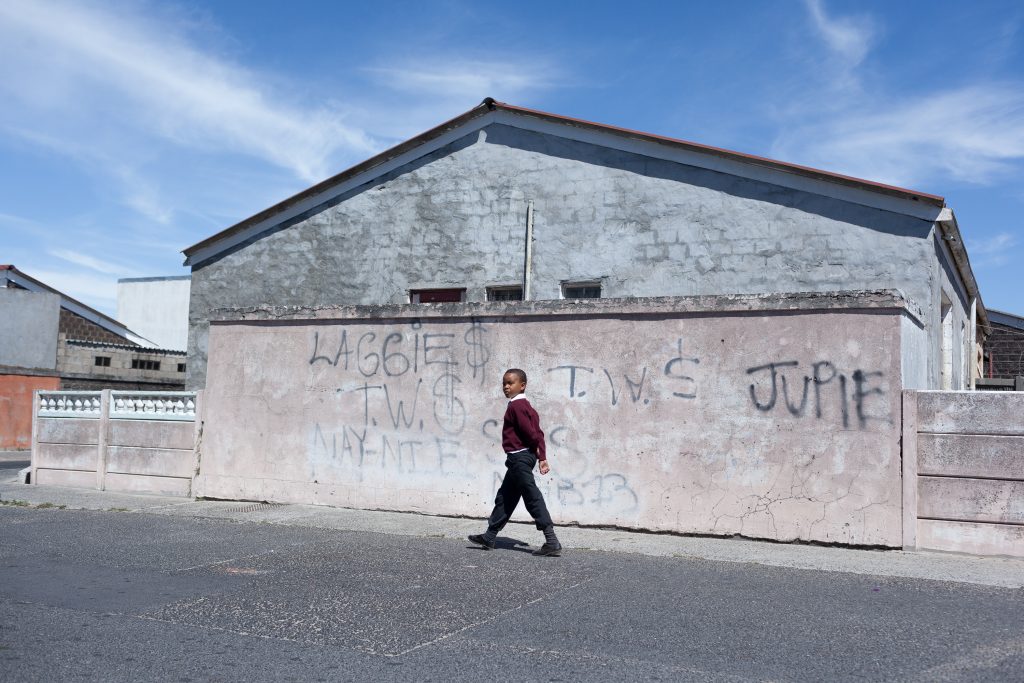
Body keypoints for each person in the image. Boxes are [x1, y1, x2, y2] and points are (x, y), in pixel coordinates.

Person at [469, 368, 562, 557]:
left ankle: (551, 540)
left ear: (522, 385)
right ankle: (489, 536)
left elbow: (532, 434)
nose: (506, 387)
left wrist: (538, 454)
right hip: (519, 459)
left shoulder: (515, 406)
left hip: (519, 458)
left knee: (531, 496)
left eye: (510, 383)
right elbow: (539, 434)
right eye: (504, 383)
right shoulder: (528, 407)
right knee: (505, 496)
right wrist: (541, 457)